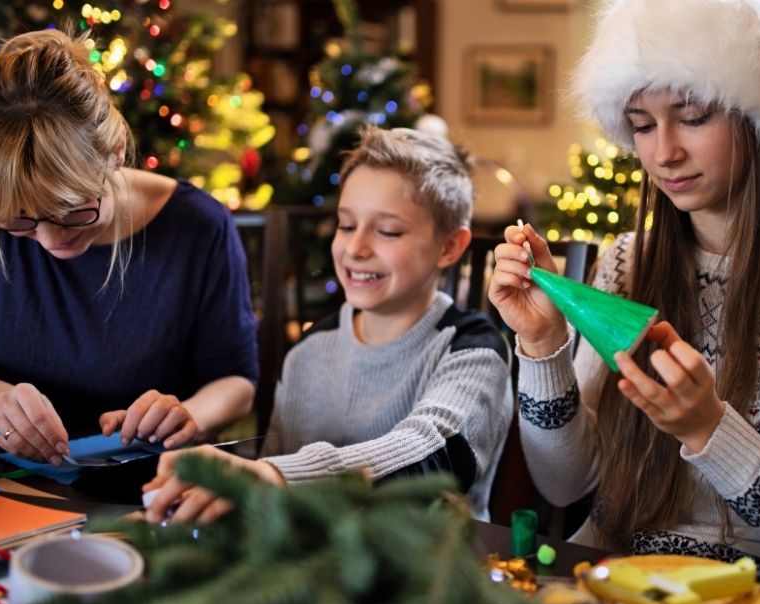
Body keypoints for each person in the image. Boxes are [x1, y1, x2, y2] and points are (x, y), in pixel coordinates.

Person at [488, 0, 760, 604]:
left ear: (759, 117)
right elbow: (565, 484)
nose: (663, 152)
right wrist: (541, 349)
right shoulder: (627, 265)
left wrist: (711, 431)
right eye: (641, 124)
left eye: (691, 115)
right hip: (609, 586)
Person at [0, 29, 258, 465]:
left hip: (153, 483)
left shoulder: (199, 227)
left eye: (71, 209)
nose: (52, 241)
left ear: (114, 153)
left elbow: (236, 381)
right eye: (20, 221)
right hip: (9, 479)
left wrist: (188, 414)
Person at [143, 126, 513, 523]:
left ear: (449, 246)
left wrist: (274, 476)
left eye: (388, 231)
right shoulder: (308, 351)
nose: (355, 248)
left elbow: (433, 453)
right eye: (346, 225)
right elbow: (270, 494)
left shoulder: (474, 348)